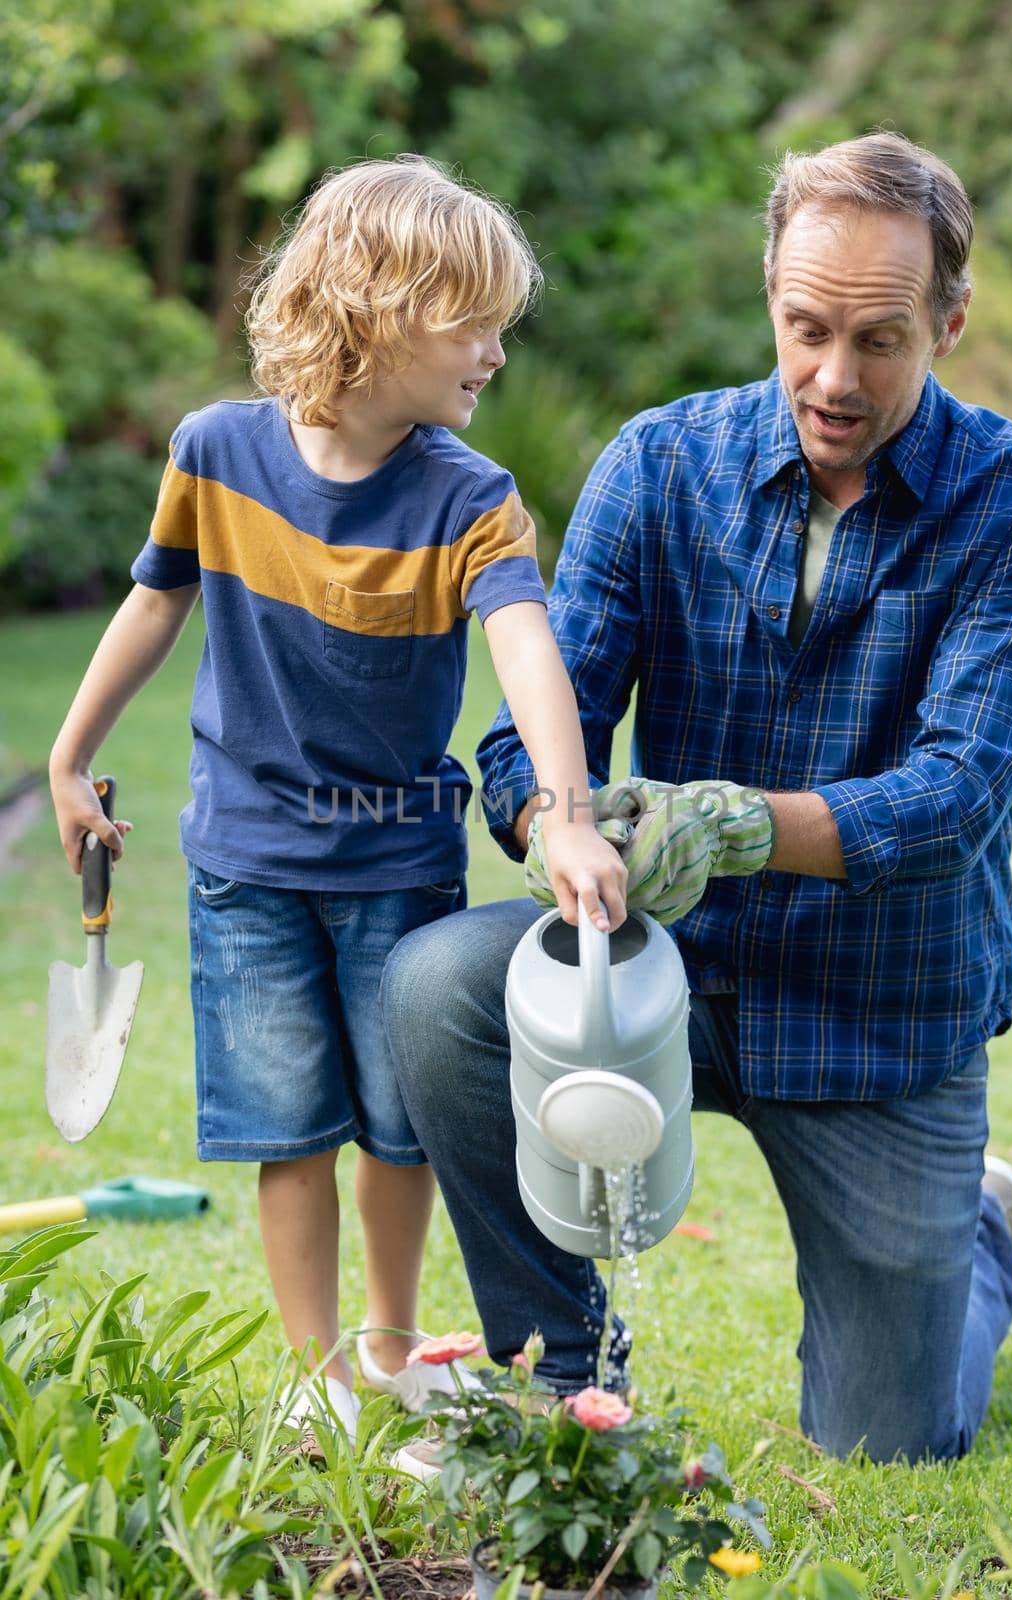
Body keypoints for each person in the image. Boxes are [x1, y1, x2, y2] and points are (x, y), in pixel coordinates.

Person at [382, 132, 1012, 1464]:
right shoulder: (661, 467)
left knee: (892, 1440)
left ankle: (974, 1234)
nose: (832, 376)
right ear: (769, 293)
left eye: (881, 340)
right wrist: (560, 823)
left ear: (951, 318)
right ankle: (559, 1376)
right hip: (655, 978)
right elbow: (536, 736)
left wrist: (734, 823)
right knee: (440, 988)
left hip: (884, 1012)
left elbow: (956, 798)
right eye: (807, 328)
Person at [48, 156, 627, 1446]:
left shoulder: (470, 499)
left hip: (398, 865)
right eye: (470, 323)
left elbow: (526, 646)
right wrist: (69, 755)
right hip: (245, 862)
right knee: (286, 1124)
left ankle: (385, 1340)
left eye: (500, 325)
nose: (492, 352)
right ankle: (313, 1372)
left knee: (399, 1126)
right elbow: (157, 599)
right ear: (374, 309)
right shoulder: (217, 452)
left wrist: (569, 811)